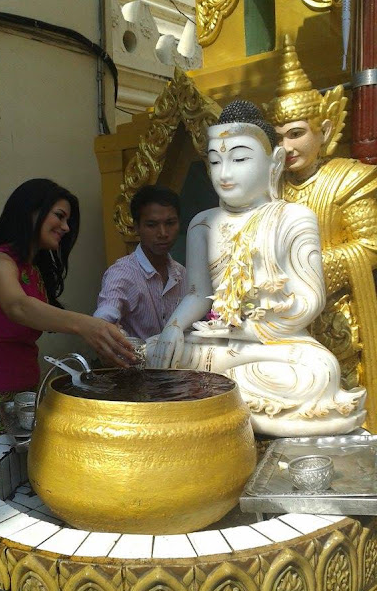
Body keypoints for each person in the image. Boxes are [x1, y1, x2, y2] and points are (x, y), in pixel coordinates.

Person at [148, 100, 366, 437]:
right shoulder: (202, 224)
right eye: (216, 160)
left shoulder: (293, 218)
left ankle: (212, 393)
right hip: (215, 346)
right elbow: (197, 294)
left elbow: (309, 300)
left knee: (317, 371)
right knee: (155, 351)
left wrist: (247, 330)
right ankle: (217, 389)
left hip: (273, 346)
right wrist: (174, 327)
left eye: (239, 159)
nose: (224, 173)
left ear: (273, 161)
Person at [0, 178, 134, 451]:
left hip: (28, 395)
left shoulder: (32, 270)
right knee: (3, 481)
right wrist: (85, 325)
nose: (65, 227)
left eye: (68, 221)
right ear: (31, 211)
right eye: (60, 216)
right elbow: (18, 306)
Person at [265, 35, 377, 430]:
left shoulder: (350, 179)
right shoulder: (269, 190)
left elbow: (369, 246)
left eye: (296, 133)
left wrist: (309, 269)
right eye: (278, 137)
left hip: (340, 320)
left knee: (345, 414)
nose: (286, 146)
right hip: (283, 323)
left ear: (324, 130)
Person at [93, 185, 186, 339]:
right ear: (136, 227)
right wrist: (105, 325)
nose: (163, 233)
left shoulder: (181, 273)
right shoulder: (123, 272)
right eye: (152, 225)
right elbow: (106, 314)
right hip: (134, 362)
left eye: (170, 223)